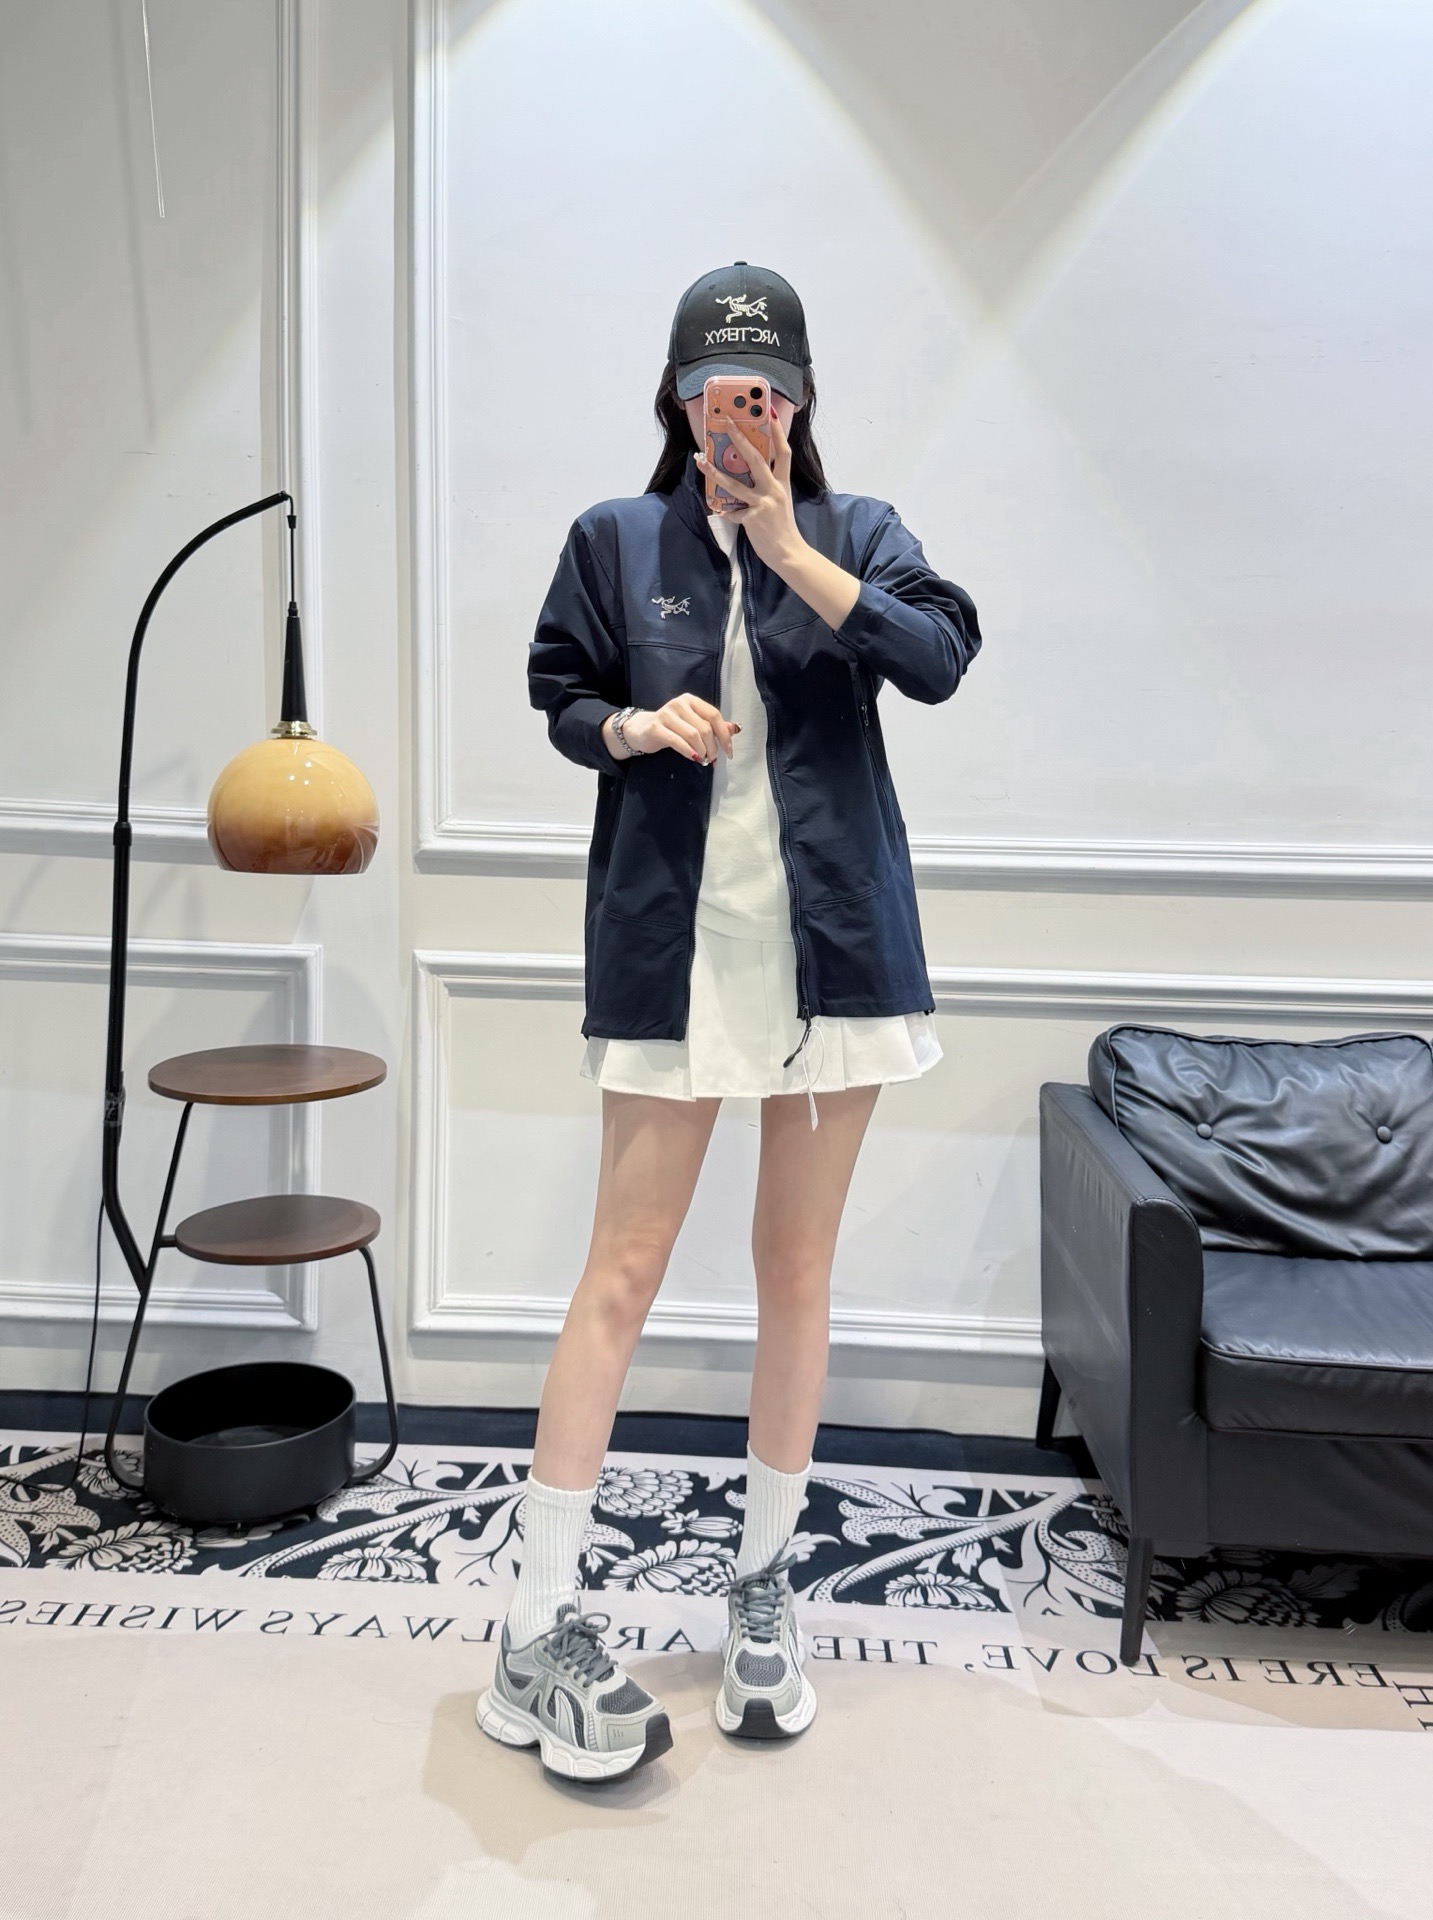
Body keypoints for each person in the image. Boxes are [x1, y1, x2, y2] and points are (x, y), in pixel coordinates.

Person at [476, 262, 982, 1781]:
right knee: (620, 1270)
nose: (737, 418)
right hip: (672, 949)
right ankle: (534, 1624)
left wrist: (788, 551)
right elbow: (558, 691)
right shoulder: (616, 540)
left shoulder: (855, 533)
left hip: (834, 954)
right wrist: (635, 725)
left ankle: (765, 1589)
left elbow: (938, 658)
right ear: (679, 404)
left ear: (799, 405)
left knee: (796, 1274)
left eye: (762, 395)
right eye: (712, 394)